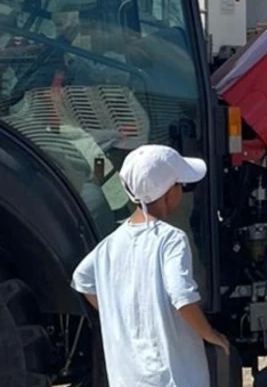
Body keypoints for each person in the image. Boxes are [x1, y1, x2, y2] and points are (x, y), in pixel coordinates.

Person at [70, 145, 230, 387]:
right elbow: (182, 297)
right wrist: (211, 335)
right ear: (169, 193)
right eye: (180, 184)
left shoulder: (110, 245)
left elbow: (82, 279)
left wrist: (119, 315)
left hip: (127, 378)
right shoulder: (171, 239)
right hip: (174, 378)